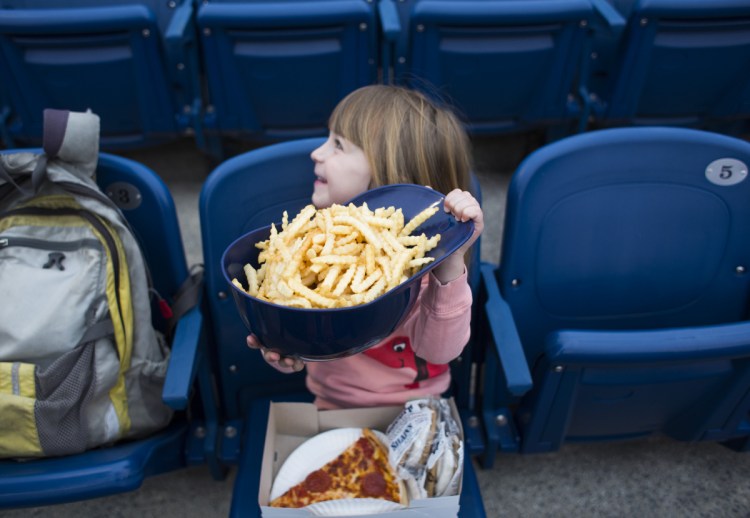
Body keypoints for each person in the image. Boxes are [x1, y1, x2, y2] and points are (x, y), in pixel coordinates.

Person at [246, 84, 484, 410]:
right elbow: (307, 327)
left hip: (416, 408)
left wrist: (450, 257)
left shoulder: (417, 261)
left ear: (388, 178)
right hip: (330, 405)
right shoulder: (307, 244)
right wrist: (287, 348)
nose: (317, 153)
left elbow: (441, 351)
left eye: (338, 145)